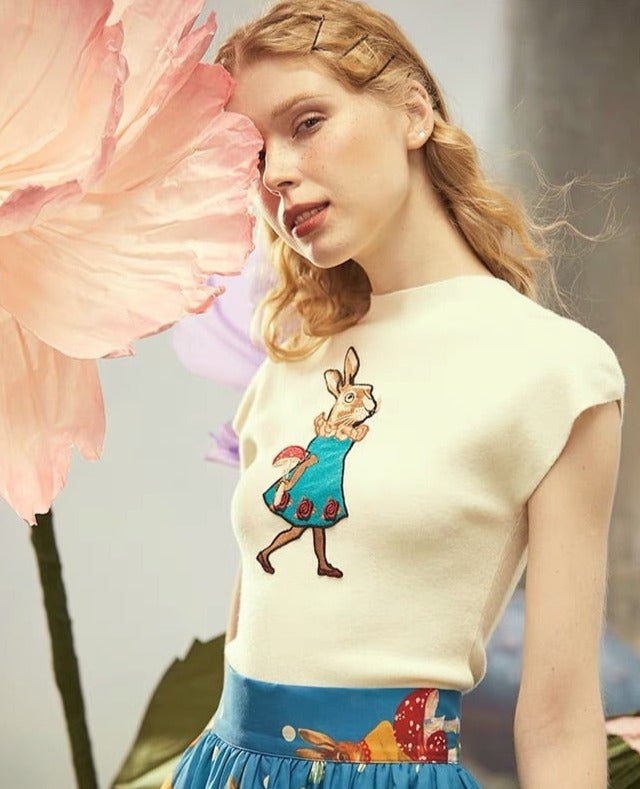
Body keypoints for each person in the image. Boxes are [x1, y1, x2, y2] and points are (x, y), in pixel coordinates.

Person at [162, 1, 626, 787]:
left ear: (414, 112)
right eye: (255, 154)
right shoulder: (288, 363)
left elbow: (557, 719)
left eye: (307, 122)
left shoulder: (557, 372)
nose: (275, 174)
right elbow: (250, 643)